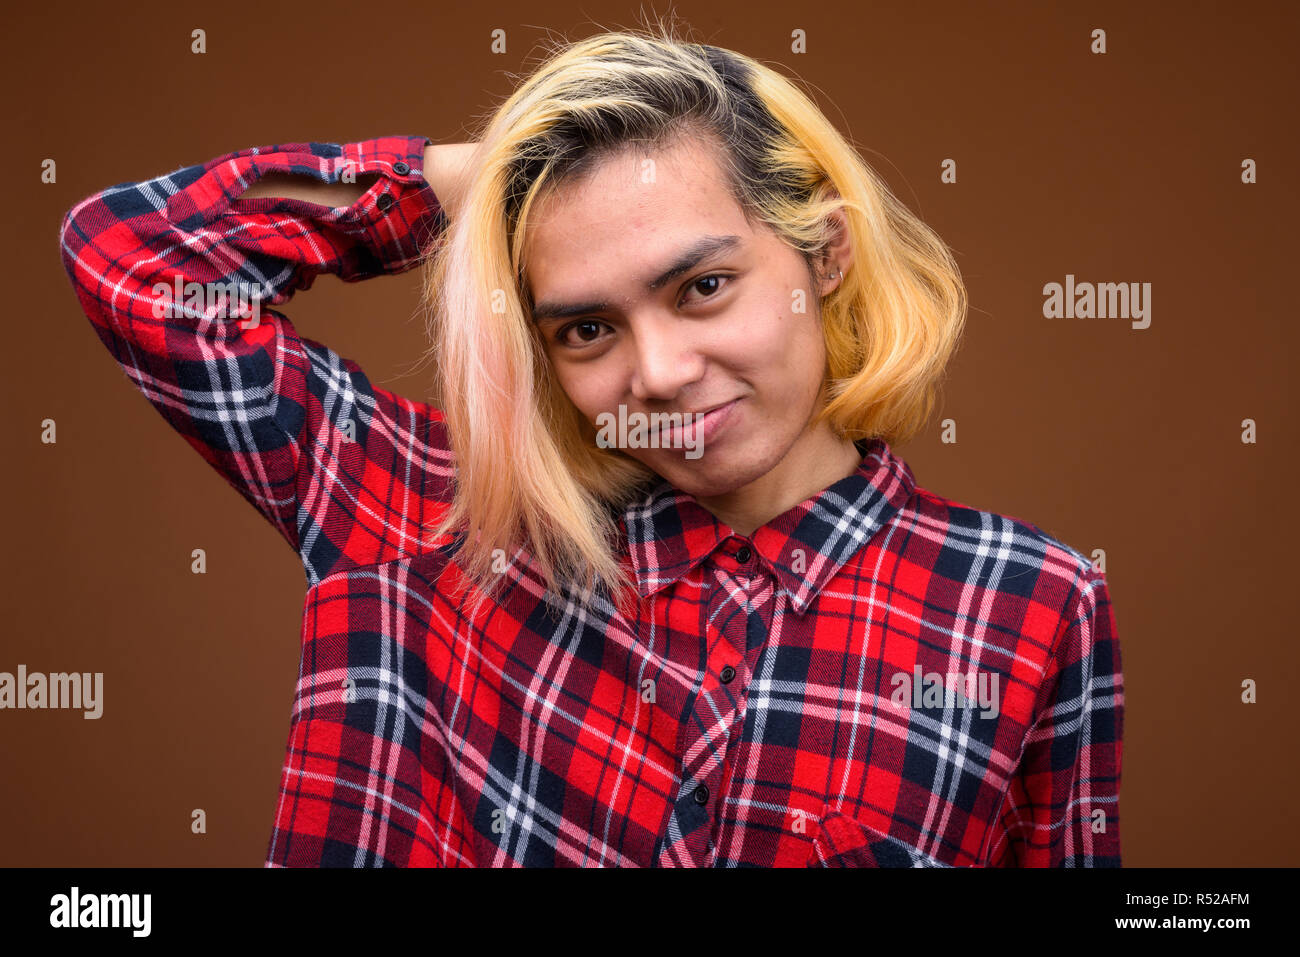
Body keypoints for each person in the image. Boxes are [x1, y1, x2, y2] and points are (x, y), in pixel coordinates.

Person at [57, 24, 1123, 867]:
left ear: (824, 257)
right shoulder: (427, 521)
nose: (654, 372)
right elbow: (134, 258)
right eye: (587, 328)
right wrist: (481, 183)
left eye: (703, 286)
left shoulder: (1028, 605)